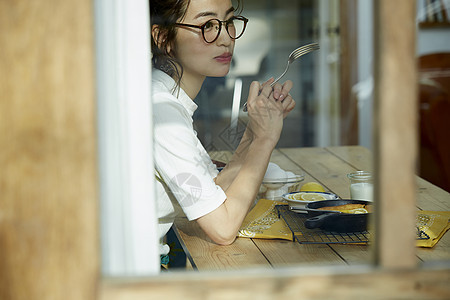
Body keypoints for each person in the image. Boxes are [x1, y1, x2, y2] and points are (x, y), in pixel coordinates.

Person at [150, 0, 296, 262]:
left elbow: (213, 194)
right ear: (163, 37)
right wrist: (265, 140)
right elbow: (223, 228)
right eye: (208, 25)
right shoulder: (162, 112)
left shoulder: (164, 98)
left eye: (228, 22)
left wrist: (253, 132)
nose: (226, 38)